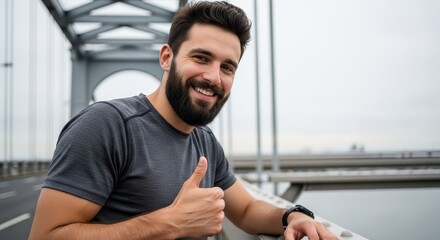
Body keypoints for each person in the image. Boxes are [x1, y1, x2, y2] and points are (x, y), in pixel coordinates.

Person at [29, 1, 338, 240]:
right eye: (201, 58)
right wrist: (168, 223)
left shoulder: (204, 142)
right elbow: (45, 235)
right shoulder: (106, 126)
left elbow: (244, 209)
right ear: (167, 58)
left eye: (227, 67)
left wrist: (294, 216)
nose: (214, 77)